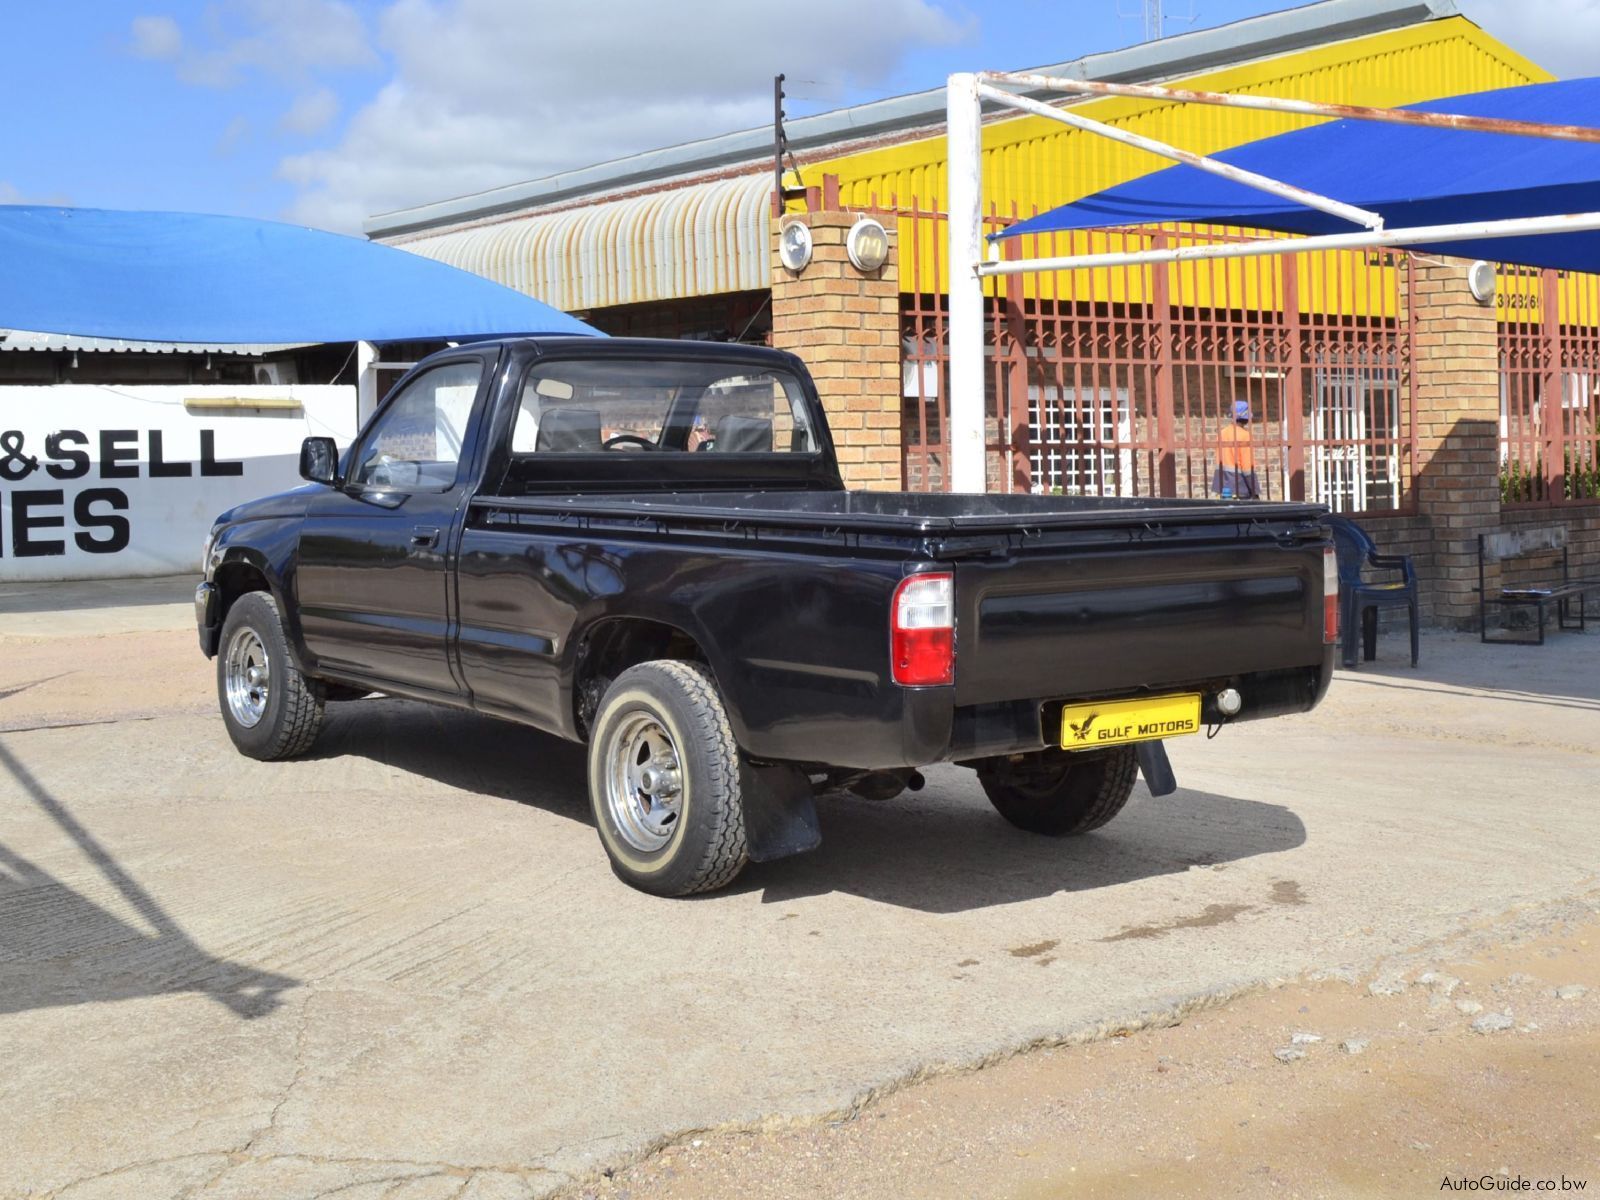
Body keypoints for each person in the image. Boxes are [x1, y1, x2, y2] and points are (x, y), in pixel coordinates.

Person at [1214, 398, 1260, 499]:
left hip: (1223, 486)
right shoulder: (1245, 435)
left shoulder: (1222, 433)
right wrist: (1255, 491)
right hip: (1240, 486)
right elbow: (1247, 467)